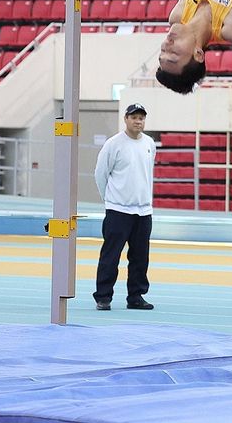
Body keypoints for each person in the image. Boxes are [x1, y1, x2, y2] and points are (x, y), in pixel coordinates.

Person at [92, 103, 157, 311]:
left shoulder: (149, 143)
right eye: (134, 117)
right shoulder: (114, 144)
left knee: (140, 257)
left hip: (143, 211)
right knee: (111, 256)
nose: (138, 121)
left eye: (141, 118)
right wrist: (110, 201)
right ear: (126, 119)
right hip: (118, 210)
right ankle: (103, 296)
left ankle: (136, 296)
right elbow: (100, 174)